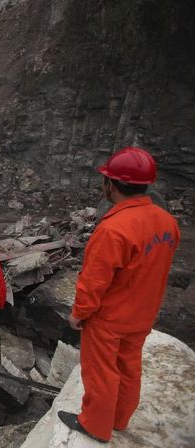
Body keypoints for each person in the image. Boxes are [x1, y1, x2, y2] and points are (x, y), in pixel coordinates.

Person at [58, 147, 180, 443]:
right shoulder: (167, 223)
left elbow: (94, 280)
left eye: (106, 180)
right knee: (129, 367)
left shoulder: (113, 229)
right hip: (142, 314)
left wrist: (79, 313)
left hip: (109, 317)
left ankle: (95, 426)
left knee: (101, 373)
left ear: (111, 184)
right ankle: (120, 419)